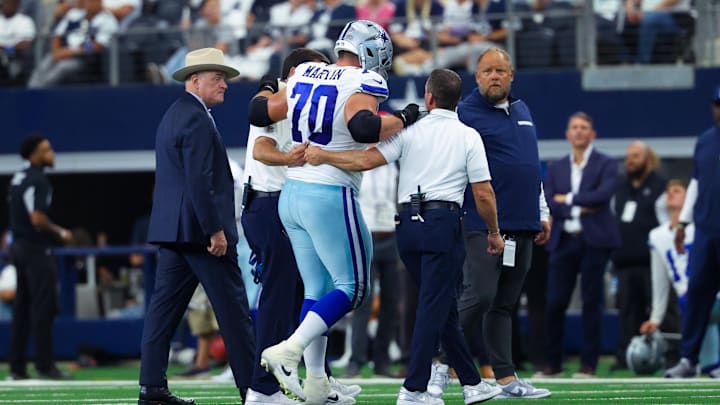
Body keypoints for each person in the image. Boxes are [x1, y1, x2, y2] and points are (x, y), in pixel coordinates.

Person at [304, 68, 505, 405]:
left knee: (440, 304)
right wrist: (495, 233)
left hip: (407, 225)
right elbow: (483, 193)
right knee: (434, 304)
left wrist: (324, 156)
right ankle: (414, 389)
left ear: (428, 97)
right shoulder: (469, 135)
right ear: (457, 100)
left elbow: (366, 160)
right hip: (442, 222)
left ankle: (471, 383)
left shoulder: (409, 128)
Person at [248, 19, 420, 404]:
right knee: (355, 287)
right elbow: (363, 126)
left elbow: (259, 113)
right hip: (329, 193)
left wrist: (266, 85)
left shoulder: (307, 72)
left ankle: (316, 383)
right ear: (372, 52)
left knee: (318, 288)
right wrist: (405, 118)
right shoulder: (363, 80)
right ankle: (289, 349)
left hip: (292, 193)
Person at [428, 47, 551, 400]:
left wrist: (542, 209)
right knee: (479, 295)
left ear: (511, 76)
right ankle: (439, 364)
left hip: (524, 222)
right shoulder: (464, 112)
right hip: (482, 224)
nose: (495, 76)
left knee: (504, 304)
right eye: (487, 71)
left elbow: (531, 165)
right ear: (477, 77)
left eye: (501, 70)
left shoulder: (523, 110)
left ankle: (506, 378)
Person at [242, 48, 359, 405]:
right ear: (296, 72)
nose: (326, 78)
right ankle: (262, 388)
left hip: (284, 203)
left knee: (306, 292)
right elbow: (262, 148)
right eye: (320, 71)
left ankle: (316, 379)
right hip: (271, 202)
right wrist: (288, 158)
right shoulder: (282, 99)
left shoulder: (296, 99)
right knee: (281, 297)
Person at [138, 48, 255, 405]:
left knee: (163, 312)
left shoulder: (175, 114)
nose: (225, 84)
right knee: (233, 311)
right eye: (217, 78)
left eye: (225, 78)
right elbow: (199, 181)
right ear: (194, 80)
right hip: (200, 234)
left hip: (174, 232)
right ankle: (253, 390)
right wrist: (215, 230)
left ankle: (152, 387)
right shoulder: (196, 119)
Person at [539, 112, 621, 378]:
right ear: (567, 134)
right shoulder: (558, 166)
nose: (579, 132)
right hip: (564, 241)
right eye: (574, 127)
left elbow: (603, 195)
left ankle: (589, 364)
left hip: (594, 241)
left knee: (591, 302)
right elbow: (550, 200)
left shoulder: (606, 163)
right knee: (554, 302)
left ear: (593, 133)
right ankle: (552, 364)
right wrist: (581, 204)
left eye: (584, 127)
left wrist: (569, 198)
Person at [7, 133, 74, 381]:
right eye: (46, 150)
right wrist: (61, 232)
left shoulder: (17, 178)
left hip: (18, 248)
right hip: (36, 249)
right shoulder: (39, 179)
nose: (52, 153)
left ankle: (16, 367)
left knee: (21, 309)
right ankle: (45, 366)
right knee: (43, 308)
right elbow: (37, 218)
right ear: (34, 154)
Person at [665, 86, 720, 378]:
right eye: (719, 104)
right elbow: (697, 184)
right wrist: (684, 224)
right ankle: (689, 359)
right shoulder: (706, 141)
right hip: (707, 230)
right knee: (698, 292)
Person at [641, 180, 720, 375]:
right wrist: (656, 318)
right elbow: (659, 280)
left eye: (677, 191)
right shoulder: (657, 235)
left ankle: (694, 361)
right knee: (691, 299)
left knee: (697, 298)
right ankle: (705, 364)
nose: (670, 194)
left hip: (712, 294)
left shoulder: (701, 228)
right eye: (668, 191)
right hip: (688, 299)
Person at [610, 141, 669, 371]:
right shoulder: (620, 187)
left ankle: (665, 355)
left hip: (652, 261)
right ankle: (626, 356)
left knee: (656, 310)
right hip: (624, 261)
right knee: (626, 311)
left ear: (648, 159)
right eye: (628, 157)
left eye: (636, 156)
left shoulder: (660, 186)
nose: (630, 160)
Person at [346, 159, 402, 379]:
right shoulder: (359, 162)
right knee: (362, 301)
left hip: (392, 234)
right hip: (365, 235)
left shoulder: (396, 164)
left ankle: (382, 361)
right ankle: (356, 360)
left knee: (391, 301)